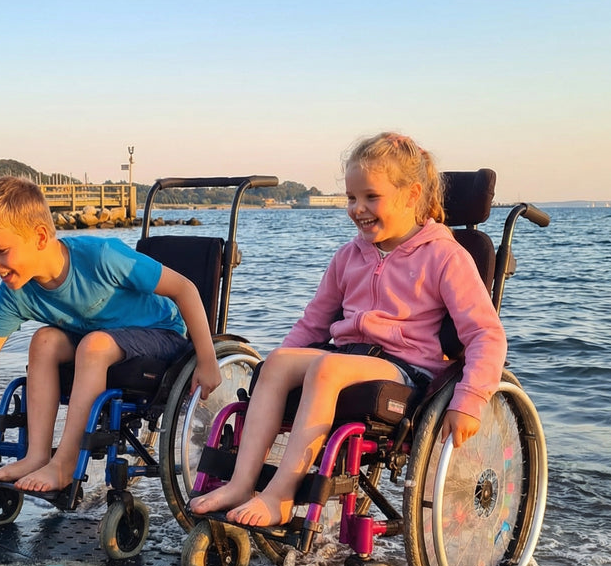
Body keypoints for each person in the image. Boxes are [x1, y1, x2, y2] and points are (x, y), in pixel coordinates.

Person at [189, 131, 507, 528]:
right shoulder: (348, 256)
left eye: (371, 197)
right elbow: (313, 323)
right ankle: (241, 482)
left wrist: (469, 399)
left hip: (405, 369)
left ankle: (281, 496)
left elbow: (485, 334)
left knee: (325, 369)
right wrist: (277, 369)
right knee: (279, 361)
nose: (358, 209)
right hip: (347, 358)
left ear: (411, 195)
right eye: (351, 198)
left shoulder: (444, 256)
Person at [0, 176, 221, 493]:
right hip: (100, 342)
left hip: (161, 336)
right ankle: (37, 455)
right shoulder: (16, 292)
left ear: (41, 237)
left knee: (93, 344)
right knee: (44, 339)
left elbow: (185, 289)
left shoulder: (102, 258)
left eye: (0, 251)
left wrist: (207, 361)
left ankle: (64, 464)